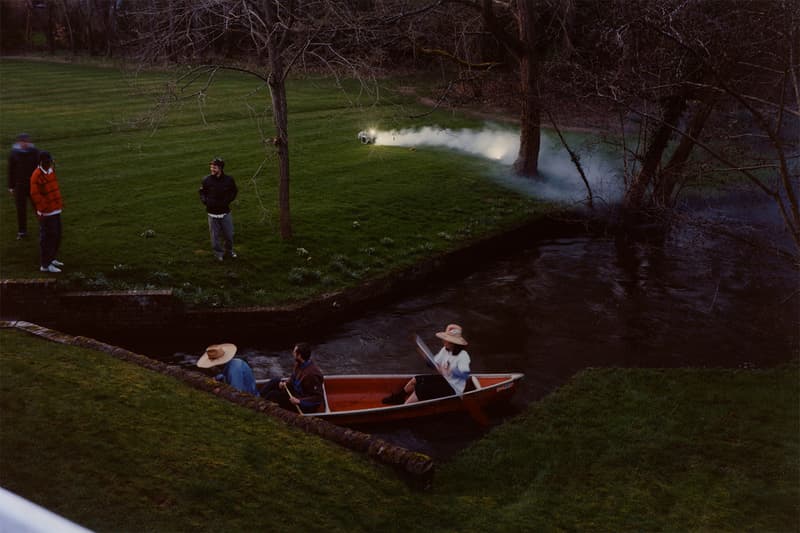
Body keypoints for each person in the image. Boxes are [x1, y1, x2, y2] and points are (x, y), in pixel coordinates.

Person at [383, 324, 472, 405]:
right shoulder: (445, 349)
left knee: (422, 388)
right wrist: (426, 357)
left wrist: (449, 371)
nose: (443, 341)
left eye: (447, 340)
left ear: (454, 343)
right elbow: (434, 364)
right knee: (416, 380)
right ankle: (399, 397)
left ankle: (405, 406)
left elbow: (465, 375)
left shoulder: (463, 356)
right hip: (445, 380)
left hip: (454, 388)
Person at [260, 342, 324, 413]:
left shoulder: (312, 375)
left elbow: (317, 398)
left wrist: (299, 401)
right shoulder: (299, 364)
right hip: (295, 394)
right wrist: (286, 384)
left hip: (303, 404)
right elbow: (293, 378)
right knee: (275, 381)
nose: (292, 354)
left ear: (299, 355)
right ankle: (257, 399)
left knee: (273, 395)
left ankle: (260, 408)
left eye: (294, 352)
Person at [29, 151, 64, 273]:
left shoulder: (51, 171)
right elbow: (35, 194)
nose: (51, 163)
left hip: (55, 209)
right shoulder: (36, 175)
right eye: (49, 161)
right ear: (43, 162)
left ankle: (51, 258)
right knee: (48, 237)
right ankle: (45, 264)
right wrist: (45, 207)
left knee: (57, 235)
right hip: (47, 213)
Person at [199, 157, 238, 261]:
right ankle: (218, 253)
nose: (212, 169)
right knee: (215, 237)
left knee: (229, 235)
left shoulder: (229, 180)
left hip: (225, 212)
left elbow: (234, 191)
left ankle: (229, 252)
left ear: (220, 168)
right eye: (211, 167)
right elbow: (202, 192)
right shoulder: (206, 180)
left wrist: (228, 200)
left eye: (214, 167)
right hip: (212, 214)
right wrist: (205, 201)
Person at [7, 133, 40, 239]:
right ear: (18, 142)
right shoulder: (14, 154)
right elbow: (11, 171)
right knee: (21, 209)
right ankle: (22, 231)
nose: (24, 143)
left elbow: (39, 168)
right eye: (22, 141)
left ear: (29, 142)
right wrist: (11, 186)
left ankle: (44, 227)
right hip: (20, 186)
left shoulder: (35, 152)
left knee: (38, 207)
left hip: (33, 185)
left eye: (26, 141)